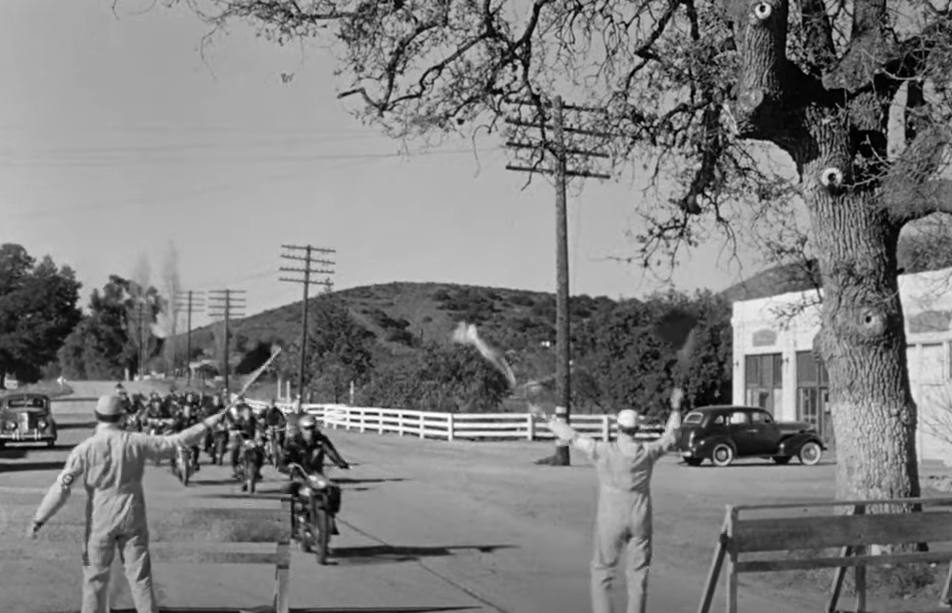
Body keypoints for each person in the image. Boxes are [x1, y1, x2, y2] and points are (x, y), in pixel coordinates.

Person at [28, 393, 231, 613]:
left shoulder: (84, 449)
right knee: (140, 577)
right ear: (122, 417)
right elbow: (176, 442)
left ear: (97, 416)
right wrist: (208, 423)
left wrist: (40, 519)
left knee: (95, 578)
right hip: (132, 515)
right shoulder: (136, 441)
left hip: (100, 518)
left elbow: (62, 488)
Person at [530, 388, 683, 613]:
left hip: (611, 518)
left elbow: (572, 437)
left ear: (618, 428)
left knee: (603, 572)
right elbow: (672, 436)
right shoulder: (647, 453)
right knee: (638, 575)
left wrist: (545, 418)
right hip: (640, 518)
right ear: (636, 429)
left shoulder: (603, 451)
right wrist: (676, 408)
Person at [280, 414, 350, 476]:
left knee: (332, 489)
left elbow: (330, 451)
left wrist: (341, 464)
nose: (310, 431)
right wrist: (288, 464)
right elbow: (286, 454)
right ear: (301, 429)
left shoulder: (321, 439)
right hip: (298, 472)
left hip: (316, 472)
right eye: (307, 428)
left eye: (312, 428)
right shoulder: (294, 440)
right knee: (290, 488)